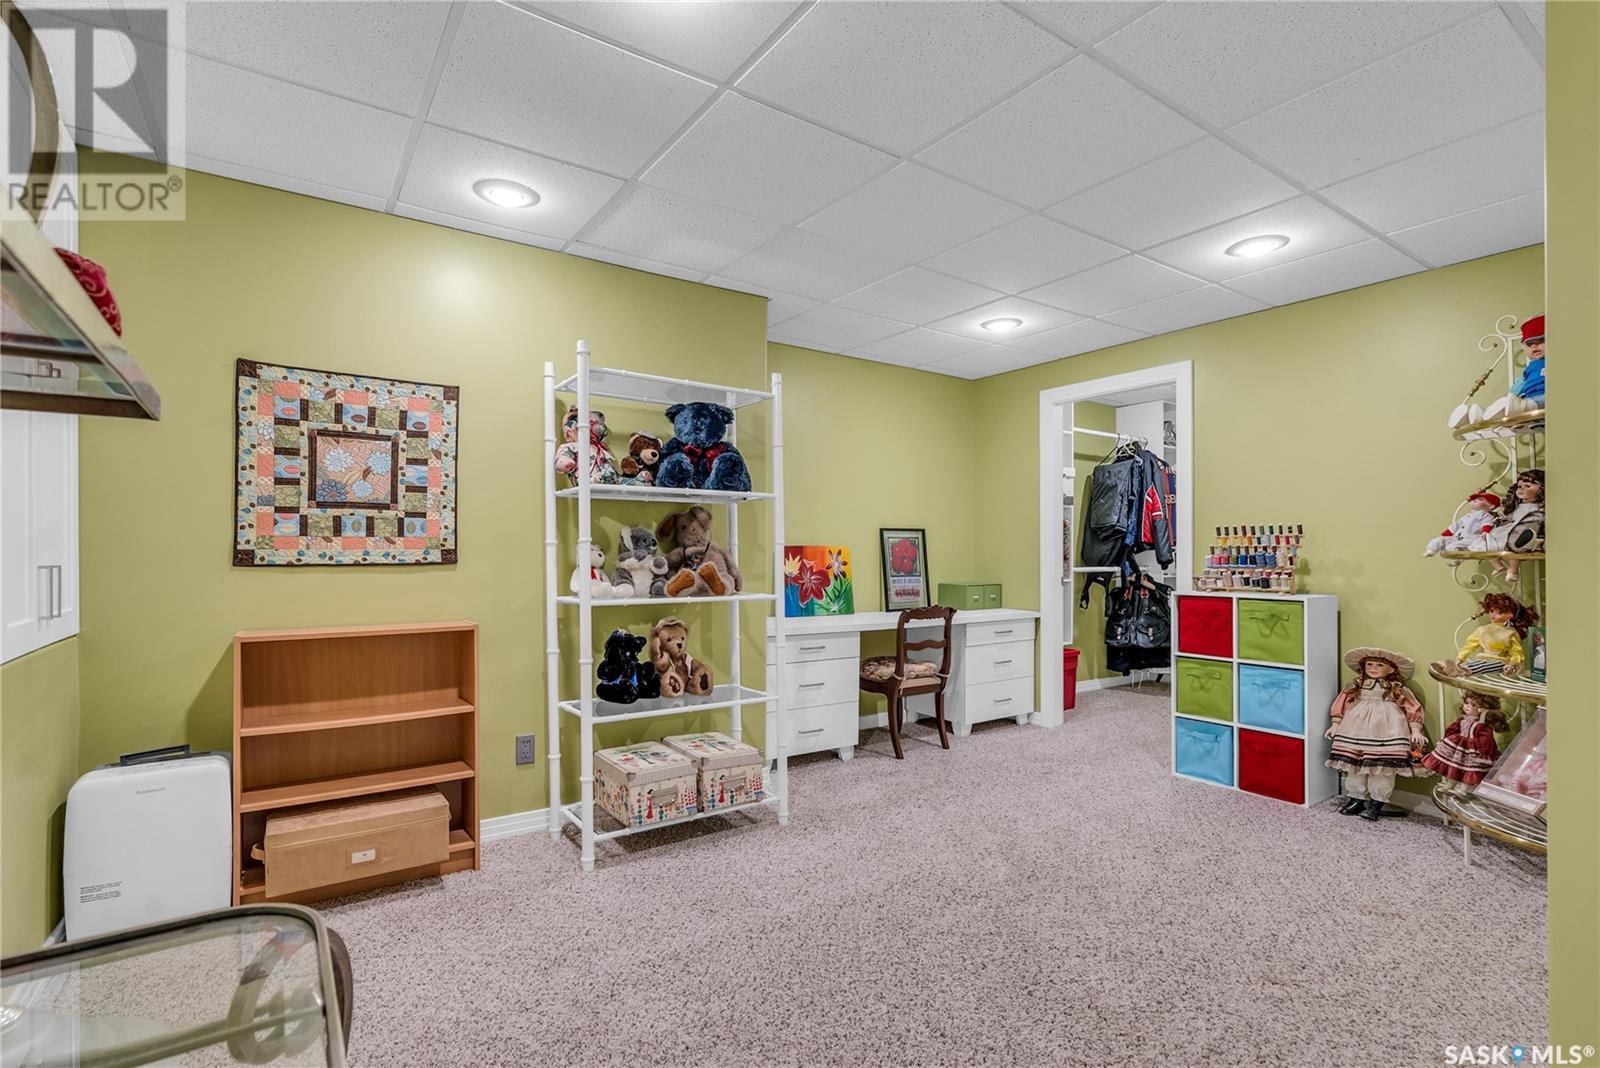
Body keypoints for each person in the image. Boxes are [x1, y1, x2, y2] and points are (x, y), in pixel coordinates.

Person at [1325, 646, 1427, 821]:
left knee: (1383, 769)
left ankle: (1377, 802)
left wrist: (1415, 729)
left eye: (1379, 665)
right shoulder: (1356, 685)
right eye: (1369, 664)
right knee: (1355, 765)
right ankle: (1356, 798)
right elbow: (1342, 702)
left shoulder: (1396, 688)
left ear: (1391, 669)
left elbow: (1412, 706)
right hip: (1355, 729)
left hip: (1387, 730)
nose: (1373, 668)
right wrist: (1336, 723)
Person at [1421, 692, 1509, 790]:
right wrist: (1446, 739)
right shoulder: (1463, 720)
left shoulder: (1481, 725)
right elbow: (1452, 729)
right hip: (1459, 747)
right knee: (1454, 767)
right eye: (1466, 703)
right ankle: (1450, 784)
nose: (1468, 706)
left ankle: (1464, 789)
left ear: (1483, 709)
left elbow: (1486, 739)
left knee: (1469, 770)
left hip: (1473, 750)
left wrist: (1485, 753)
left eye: (1473, 705)